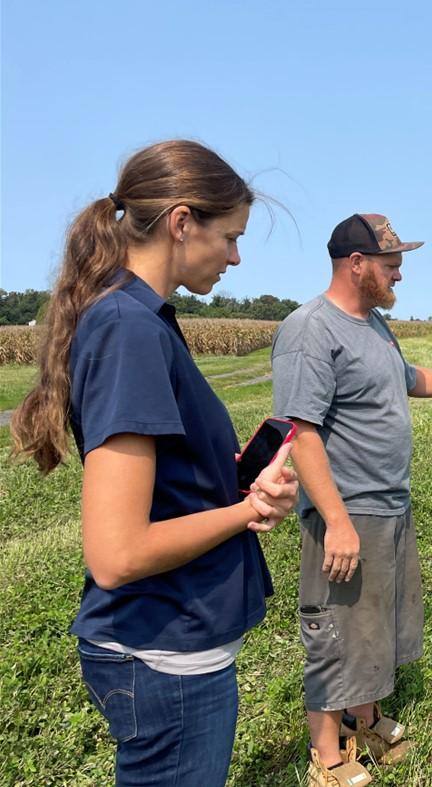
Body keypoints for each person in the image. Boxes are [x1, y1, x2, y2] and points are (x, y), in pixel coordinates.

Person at [9, 140, 299, 787]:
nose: (235, 256)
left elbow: (161, 477)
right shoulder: (128, 328)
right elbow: (116, 552)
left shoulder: (140, 318)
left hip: (170, 653)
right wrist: (246, 510)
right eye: (230, 236)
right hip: (162, 659)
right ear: (181, 222)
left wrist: (228, 472)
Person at [271, 213, 432, 785]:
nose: (400, 271)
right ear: (357, 264)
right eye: (391, 261)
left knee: (376, 625)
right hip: (347, 513)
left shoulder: (373, 324)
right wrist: (337, 521)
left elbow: (407, 377)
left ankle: (364, 722)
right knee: (335, 632)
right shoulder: (310, 330)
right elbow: (299, 432)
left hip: (390, 507)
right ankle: (327, 757)